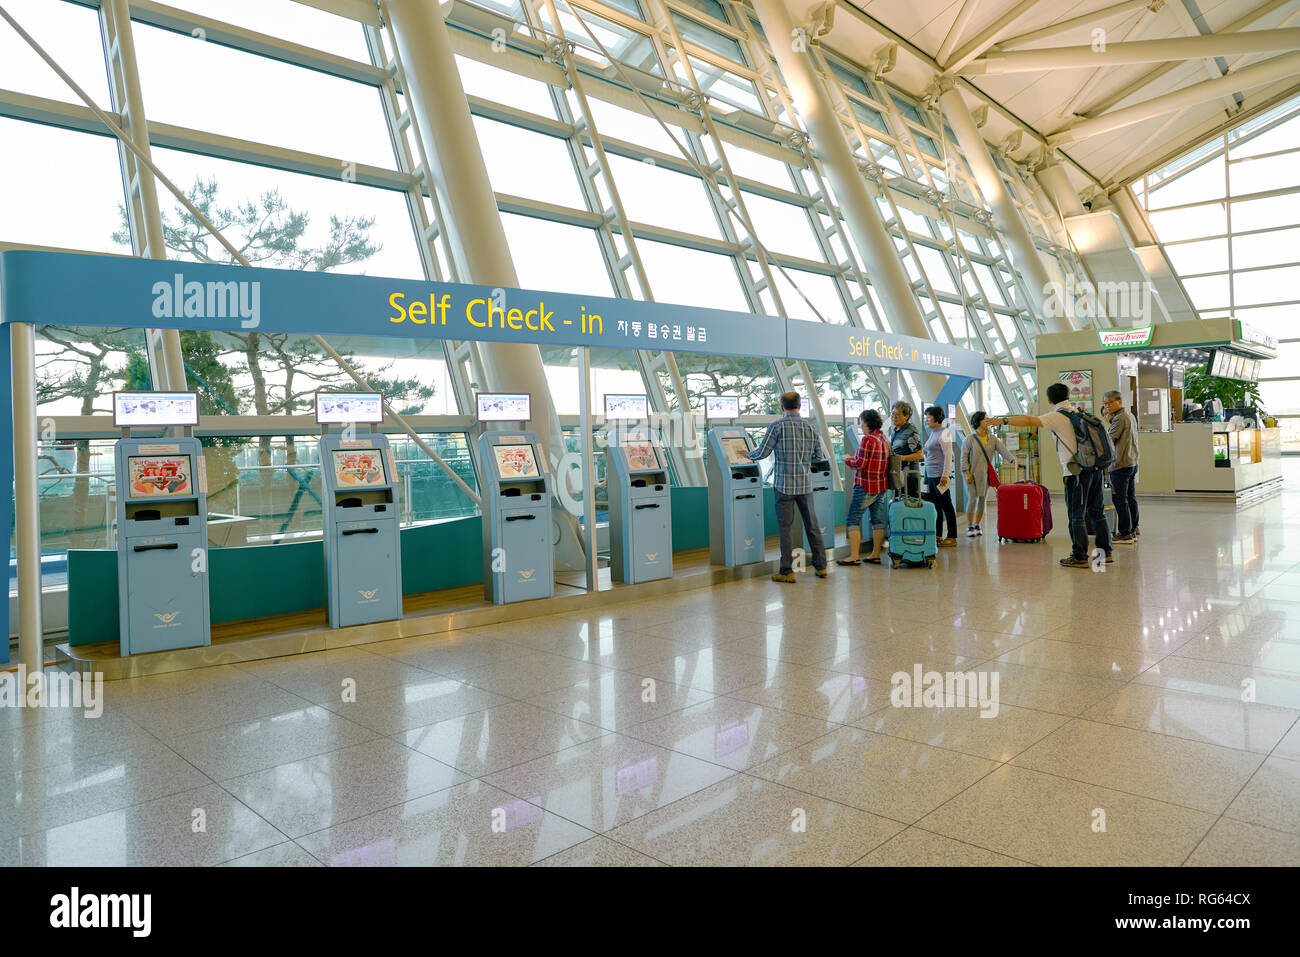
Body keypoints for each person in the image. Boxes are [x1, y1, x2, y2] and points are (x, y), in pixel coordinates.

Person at [986, 382, 1113, 569]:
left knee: (1076, 515)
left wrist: (1004, 421)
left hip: (1075, 472)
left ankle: (1079, 556)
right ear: (1068, 395)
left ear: (1048, 399)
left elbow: (1030, 421)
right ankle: (1105, 554)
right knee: (1097, 513)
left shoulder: (1057, 416)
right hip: (1094, 469)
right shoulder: (1078, 412)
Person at [747, 391, 828, 583]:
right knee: (813, 526)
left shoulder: (777, 426)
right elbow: (819, 457)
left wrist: (747, 454)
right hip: (805, 485)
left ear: (782, 407)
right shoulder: (810, 427)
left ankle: (787, 571)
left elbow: (762, 453)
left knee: (786, 528)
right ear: (799, 406)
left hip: (784, 486)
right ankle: (822, 567)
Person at [838, 408, 890, 566]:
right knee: (877, 520)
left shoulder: (867, 440)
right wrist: (857, 458)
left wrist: (847, 460)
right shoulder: (883, 438)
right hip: (881, 486)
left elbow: (860, 464)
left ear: (867, 422)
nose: (860, 425)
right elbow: (871, 459)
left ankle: (854, 556)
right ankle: (875, 554)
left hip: (866, 485)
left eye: (861, 421)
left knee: (853, 519)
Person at [959, 411, 1011, 537]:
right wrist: (967, 473)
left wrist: (1012, 460)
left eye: (988, 419)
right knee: (973, 499)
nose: (987, 421)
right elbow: (963, 457)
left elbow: (1003, 450)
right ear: (978, 421)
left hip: (985, 474)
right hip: (971, 474)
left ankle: (977, 524)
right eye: (985, 419)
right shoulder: (969, 439)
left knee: (982, 499)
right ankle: (970, 526)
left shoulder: (992, 438)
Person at [1102, 389, 1140, 543]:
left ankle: (1125, 533)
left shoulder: (1119, 418)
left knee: (1120, 499)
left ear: (1119, 401)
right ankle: (1133, 528)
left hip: (1120, 464)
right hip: (1131, 462)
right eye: (1105, 404)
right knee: (1130, 497)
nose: (1107, 406)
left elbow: (1109, 440)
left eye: (1110, 402)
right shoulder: (1128, 415)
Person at [922, 406, 958, 547]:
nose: (927, 420)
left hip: (939, 475)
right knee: (935, 506)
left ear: (936, 418)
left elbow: (948, 455)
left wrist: (945, 475)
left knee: (946, 505)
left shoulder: (944, 432)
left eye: (929, 417)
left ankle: (952, 536)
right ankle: (938, 535)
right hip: (931, 475)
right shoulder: (933, 432)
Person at [888, 400, 924, 495]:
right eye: (892, 414)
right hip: (898, 475)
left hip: (909, 476)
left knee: (910, 505)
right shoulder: (894, 430)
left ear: (906, 416)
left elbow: (920, 454)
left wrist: (902, 458)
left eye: (897, 415)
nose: (893, 417)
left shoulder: (911, 431)